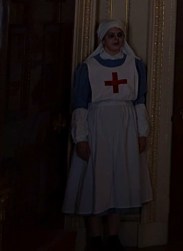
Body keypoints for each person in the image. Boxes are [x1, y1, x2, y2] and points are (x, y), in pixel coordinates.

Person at [62, 20, 152, 251]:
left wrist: (142, 132)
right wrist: (80, 137)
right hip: (98, 125)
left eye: (120, 35)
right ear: (102, 39)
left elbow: (139, 101)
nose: (116, 39)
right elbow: (80, 105)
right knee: (97, 178)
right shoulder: (88, 68)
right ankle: (94, 238)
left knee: (120, 178)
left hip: (125, 126)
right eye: (111, 35)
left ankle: (113, 237)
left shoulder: (134, 65)